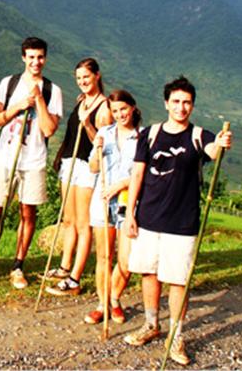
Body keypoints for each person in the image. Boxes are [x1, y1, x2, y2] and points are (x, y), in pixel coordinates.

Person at [123, 76, 232, 365]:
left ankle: (177, 335)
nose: (181, 107)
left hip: (182, 222)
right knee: (148, 273)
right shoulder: (150, 134)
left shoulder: (199, 136)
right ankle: (151, 324)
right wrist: (130, 213)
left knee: (177, 281)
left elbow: (212, 151)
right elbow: (137, 174)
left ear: (192, 106)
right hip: (148, 217)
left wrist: (220, 144)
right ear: (166, 103)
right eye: (176, 102)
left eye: (186, 102)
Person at [0, 37, 63, 289]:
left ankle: (18, 266)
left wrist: (39, 101)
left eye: (40, 57)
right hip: (5, 157)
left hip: (33, 160)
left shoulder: (52, 90)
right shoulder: (9, 83)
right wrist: (18, 106)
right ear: (23, 57)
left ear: (45, 58)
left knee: (27, 211)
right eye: (31, 57)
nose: (36, 62)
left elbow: (48, 130)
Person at [46, 58, 112, 296]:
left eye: (87, 76)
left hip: (87, 166)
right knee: (68, 220)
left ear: (97, 75)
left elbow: (104, 145)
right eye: (79, 78)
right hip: (70, 163)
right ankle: (64, 267)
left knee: (84, 224)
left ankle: (75, 279)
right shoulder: (82, 100)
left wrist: (89, 127)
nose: (83, 81)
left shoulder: (104, 107)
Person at [83, 89, 142, 324]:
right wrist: (97, 150)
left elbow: (141, 173)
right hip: (103, 198)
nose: (120, 114)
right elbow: (93, 168)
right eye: (115, 111)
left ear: (133, 108)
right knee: (104, 256)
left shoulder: (142, 136)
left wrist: (120, 185)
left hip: (128, 200)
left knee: (126, 259)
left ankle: (114, 297)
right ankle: (103, 304)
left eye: (123, 109)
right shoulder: (104, 133)